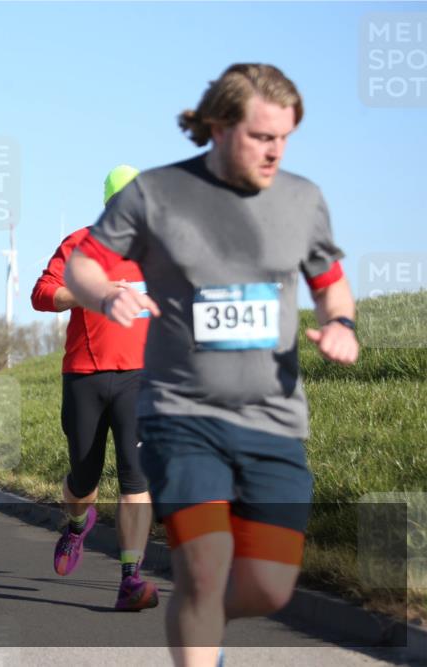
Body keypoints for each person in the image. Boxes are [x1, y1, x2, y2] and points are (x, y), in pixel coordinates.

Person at [64, 64, 359, 665]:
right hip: (183, 417)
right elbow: (81, 265)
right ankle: (198, 617)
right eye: (261, 137)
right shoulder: (155, 194)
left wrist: (341, 323)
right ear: (219, 127)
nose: (275, 151)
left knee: (269, 587)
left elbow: (332, 284)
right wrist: (105, 294)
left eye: (285, 137)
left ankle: (203, 612)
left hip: (273, 421)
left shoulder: (303, 200)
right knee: (201, 568)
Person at [32, 165, 159, 611]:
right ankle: (76, 525)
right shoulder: (79, 245)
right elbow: (41, 294)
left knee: (134, 477)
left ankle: (131, 577)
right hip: (85, 375)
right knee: (83, 480)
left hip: (140, 379)